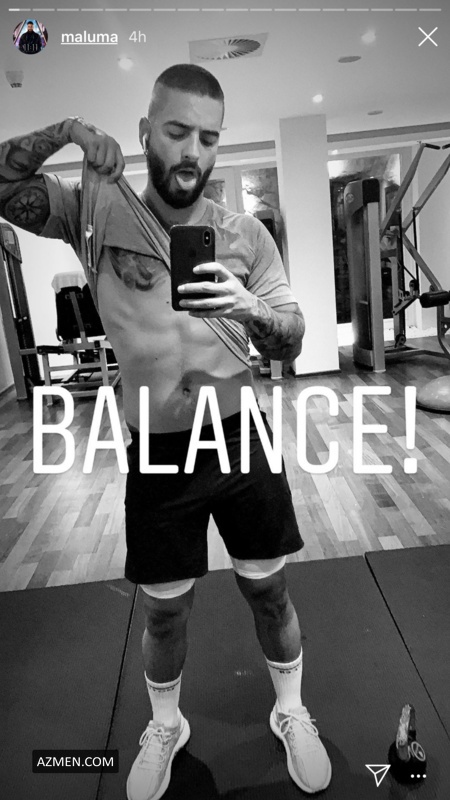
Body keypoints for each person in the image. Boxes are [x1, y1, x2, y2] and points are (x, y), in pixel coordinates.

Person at [0, 64, 332, 799]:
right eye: (178, 131)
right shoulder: (91, 212)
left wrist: (248, 307)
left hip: (240, 436)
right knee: (163, 610)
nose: (193, 151)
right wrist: (67, 131)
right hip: (156, 448)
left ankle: (290, 708)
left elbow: (293, 336)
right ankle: (165, 724)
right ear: (146, 131)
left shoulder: (245, 235)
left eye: (209, 137)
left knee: (270, 592)